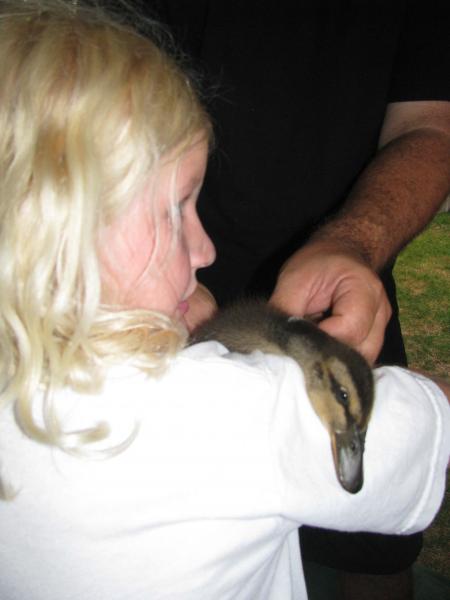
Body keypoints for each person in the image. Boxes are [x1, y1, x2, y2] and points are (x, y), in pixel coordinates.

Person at [0, 2, 449, 599]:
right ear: (56, 230)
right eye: (176, 207)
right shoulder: (243, 414)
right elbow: (431, 425)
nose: (206, 248)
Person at [149, 2, 450, 597]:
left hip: (337, 304)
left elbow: (431, 124)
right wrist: (160, 269)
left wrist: (353, 241)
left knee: (373, 551)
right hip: (159, 296)